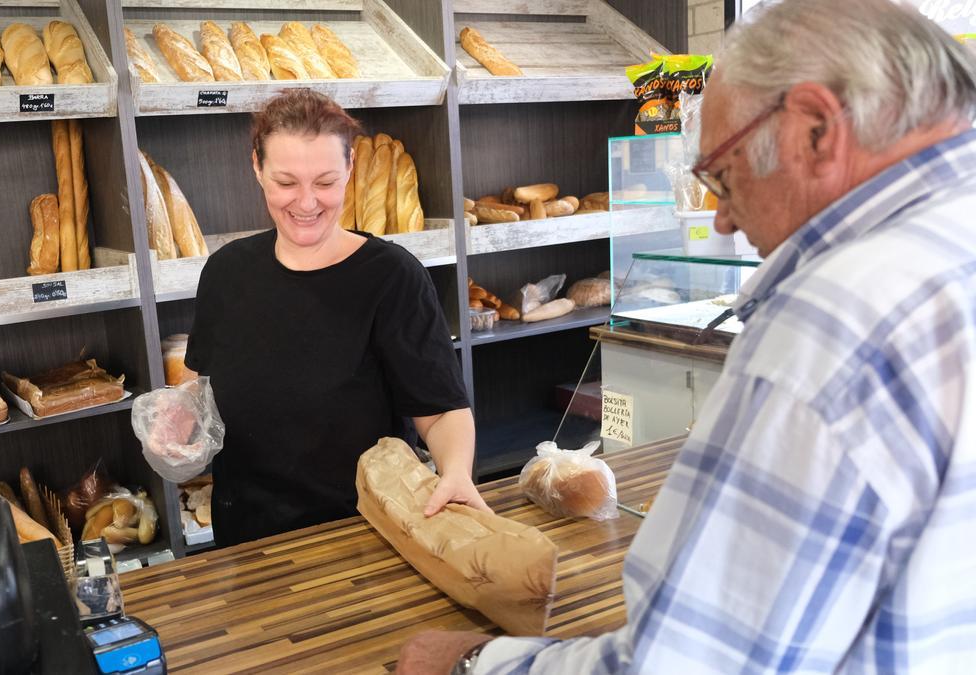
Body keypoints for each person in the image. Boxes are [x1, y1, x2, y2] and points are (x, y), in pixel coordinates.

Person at [396, 0, 976, 672]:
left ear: (817, 128)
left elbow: (687, 661)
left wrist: (475, 662)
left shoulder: (832, 325)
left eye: (722, 176)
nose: (722, 221)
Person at [185, 89, 490, 546]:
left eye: (325, 182)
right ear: (257, 168)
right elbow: (198, 390)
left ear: (350, 169)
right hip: (247, 541)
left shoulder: (392, 277)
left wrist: (457, 473)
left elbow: (441, 409)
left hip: (364, 534)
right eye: (287, 182)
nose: (307, 203)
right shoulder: (227, 272)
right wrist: (173, 427)